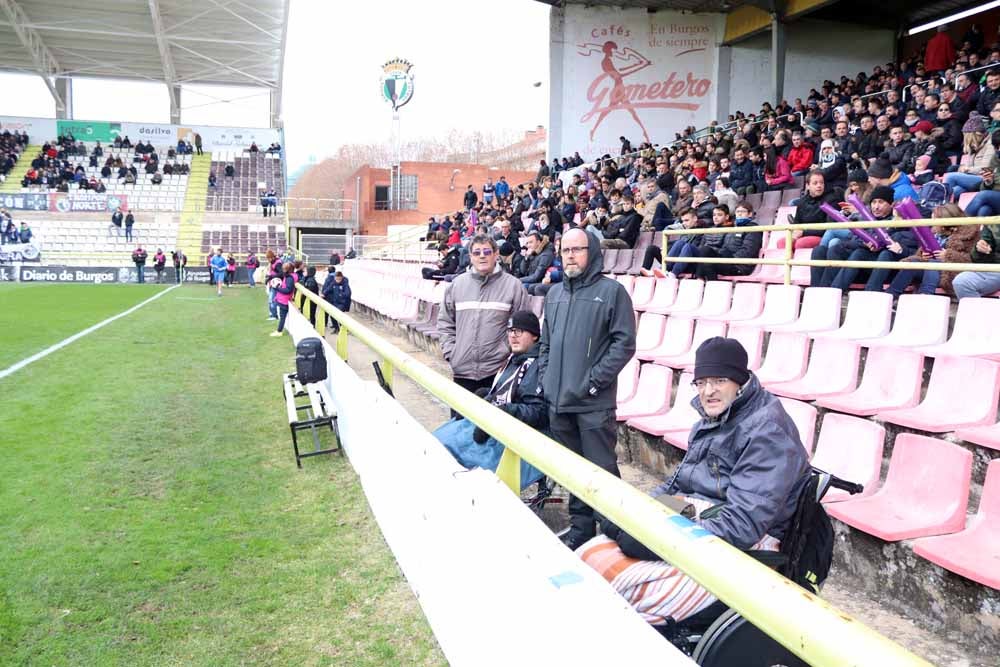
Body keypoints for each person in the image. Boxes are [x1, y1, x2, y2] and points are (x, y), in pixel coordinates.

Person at [578, 337, 811, 626]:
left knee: (622, 597)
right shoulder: (715, 416)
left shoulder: (767, 431)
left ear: (740, 381)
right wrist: (636, 513)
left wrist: (658, 541)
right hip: (696, 519)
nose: (708, 391)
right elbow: (679, 485)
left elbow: (742, 524)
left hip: (744, 545)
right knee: (586, 559)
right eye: (701, 382)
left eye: (719, 380)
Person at [538, 228, 636, 549]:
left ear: (591, 252)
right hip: (559, 402)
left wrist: (594, 383)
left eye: (577, 249)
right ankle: (581, 533)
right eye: (566, 250)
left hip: (593, 405)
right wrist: (546, 379)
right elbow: (546, 344)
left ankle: (618, 536)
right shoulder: (554, 295)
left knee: (602, 474)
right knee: (572, 473)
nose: (570, 255)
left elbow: (624, 344)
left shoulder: (612, 292)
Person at [432, 311, 547, 491]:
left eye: (519, 331)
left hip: (512, 436)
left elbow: (538, 411)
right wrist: (484, 395)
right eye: (510, 331)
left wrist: (504, 411)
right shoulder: (513, 359)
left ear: (534, 335)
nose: (513, 336)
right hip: (493, 425)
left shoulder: (538, 365)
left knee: (452, 450)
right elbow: (501, 393)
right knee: (439, 439)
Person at [437, 233, 531, 417]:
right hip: (462, 371)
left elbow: (523, 329)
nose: (482, 256)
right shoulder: (456, 286)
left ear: (496, 255)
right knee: (458, 432)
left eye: (487, 251)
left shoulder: (514, 286)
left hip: (497, 374)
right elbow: (445, 322)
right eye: (477, 252)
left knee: (491, 437)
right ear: (470, 256)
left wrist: (507, 356)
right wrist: (451, 353)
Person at [885, 203, 978, 300]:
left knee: (934, 263)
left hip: (952, 273)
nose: (932, 223)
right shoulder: (935, 232)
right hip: (931, 271)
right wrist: (923, 255)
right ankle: (891, 295)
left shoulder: (969, 234)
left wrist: (948, 255)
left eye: (935, 220)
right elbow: (921, 253)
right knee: (912, 263)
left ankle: (925, 296)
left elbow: (973, 260)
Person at [694, 202, 764, 281]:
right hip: (728, 259)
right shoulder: (733, 228)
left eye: (743, 212)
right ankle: (700, 279)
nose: (740, 214)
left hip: (740, 266)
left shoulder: (753, 229)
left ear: (750, 214)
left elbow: (748, 251)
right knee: (705, 250)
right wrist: (723, 255)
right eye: (738, 212)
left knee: (708, 264)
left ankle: (710, 286)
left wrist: (729, 259)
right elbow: (725, 247)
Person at [270, 263, 295, 336]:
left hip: (284, 301)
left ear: (288, 270)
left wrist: (277, 288)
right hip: (282, 300)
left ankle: (279, 331)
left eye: (284, 269)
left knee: (282, 317)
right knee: (282, 316)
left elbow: (288, 290)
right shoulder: (287, 277)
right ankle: (279, 330)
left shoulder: (289, 278)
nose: (283, 270)